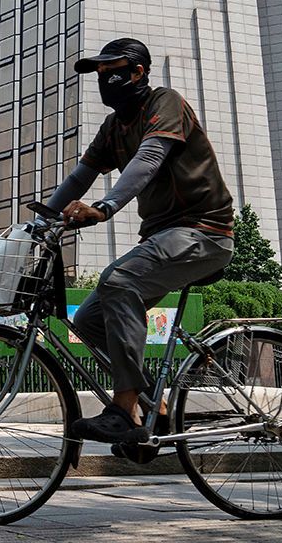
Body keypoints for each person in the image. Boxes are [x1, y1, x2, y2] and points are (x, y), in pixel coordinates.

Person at [41, 37, 235, 447]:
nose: (105, 80)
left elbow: (149, 157)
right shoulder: (113, 128)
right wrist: (37, 225)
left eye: (112, 71)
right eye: (99, 74)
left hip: (203, 231)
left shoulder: (165, 103)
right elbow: (81, 176)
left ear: (138, 72)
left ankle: (122, 410)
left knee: (119, 281)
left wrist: (105, 207)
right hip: (163, 237)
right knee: (89, 319)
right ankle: (154, 411)